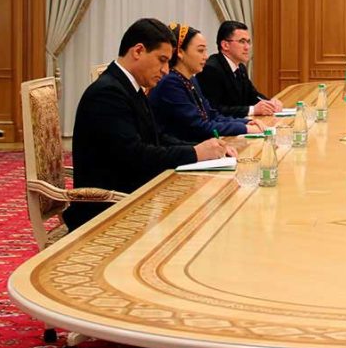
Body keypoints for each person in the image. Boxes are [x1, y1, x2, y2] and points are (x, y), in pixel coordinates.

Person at [66, 18, 237, 231]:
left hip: (134, 195)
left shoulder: (130, 86)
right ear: (138, 51)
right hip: (108, 211)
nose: (166, 70)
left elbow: (156, 137)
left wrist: (204, 149)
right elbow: (136, 155)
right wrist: (194, 153)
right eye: (162, 60)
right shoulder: (107, 93)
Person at [149, 22, 264, 141]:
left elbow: (211, 115)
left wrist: (246, 122)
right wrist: (244, 128)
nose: (206, 56)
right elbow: (199, 127)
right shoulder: (171, 82)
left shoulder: (191, 79)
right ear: (180, 52)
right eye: (200, 51)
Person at [197, 20, 284, 118]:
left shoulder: (240, 67)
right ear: (225, 45)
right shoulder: (211, 69)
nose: (247, 47)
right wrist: (252, 110)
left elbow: (252, 95)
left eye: (248, 42)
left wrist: (270, 103)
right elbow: (214, 109)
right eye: (242, 42)